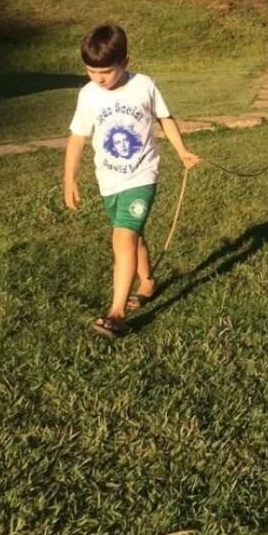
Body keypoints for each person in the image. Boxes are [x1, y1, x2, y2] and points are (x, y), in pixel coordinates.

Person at [64, 23, 200, 339]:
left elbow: (164, 118)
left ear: (125, 61)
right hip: (108, 180)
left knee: (123, 238)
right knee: (133, 237)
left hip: (142, 176)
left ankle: (117, 314)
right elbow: (77, 139)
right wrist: (69, 178)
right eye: (90, 71)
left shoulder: (144, 86)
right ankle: (148, 281)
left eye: (106, 72)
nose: (98, 78)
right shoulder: (88, 96)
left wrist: (182, 152)